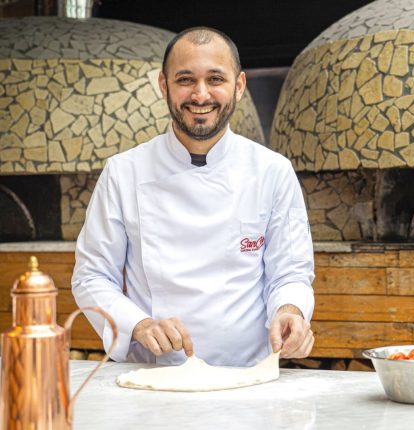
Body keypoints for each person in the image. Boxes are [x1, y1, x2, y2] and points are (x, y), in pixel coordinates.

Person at [71, 26, 315, 367]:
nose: (200, 95)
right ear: (163, 85)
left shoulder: (272, 171)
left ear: (239, 86)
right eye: (185, 80)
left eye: (215, 79)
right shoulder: (124, 172)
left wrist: (291, 310)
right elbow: (92, 276)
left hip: (247, 379)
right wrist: (138, 325)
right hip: (153, 377)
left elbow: (289, 272)